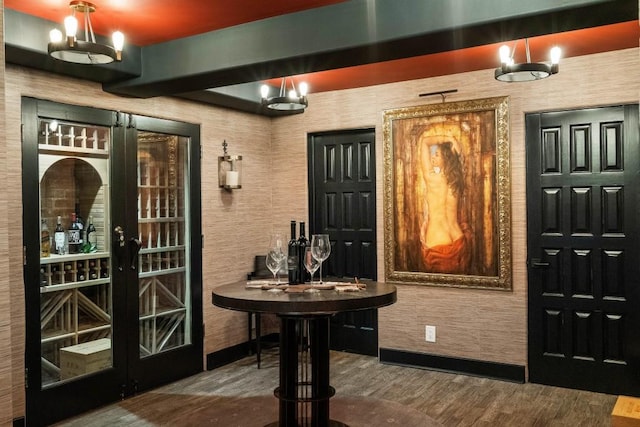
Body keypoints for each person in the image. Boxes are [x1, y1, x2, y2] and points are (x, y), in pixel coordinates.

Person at [418, 133, 470, 274]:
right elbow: (460, 160)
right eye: (433, 154)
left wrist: (449, 138)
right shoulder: (457, 180)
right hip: (458, 239)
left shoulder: (431, 178)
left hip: (437, 242)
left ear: (446, 158)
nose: (433, 157)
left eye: (437, 155)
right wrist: (453, 142)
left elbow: (424, 141)